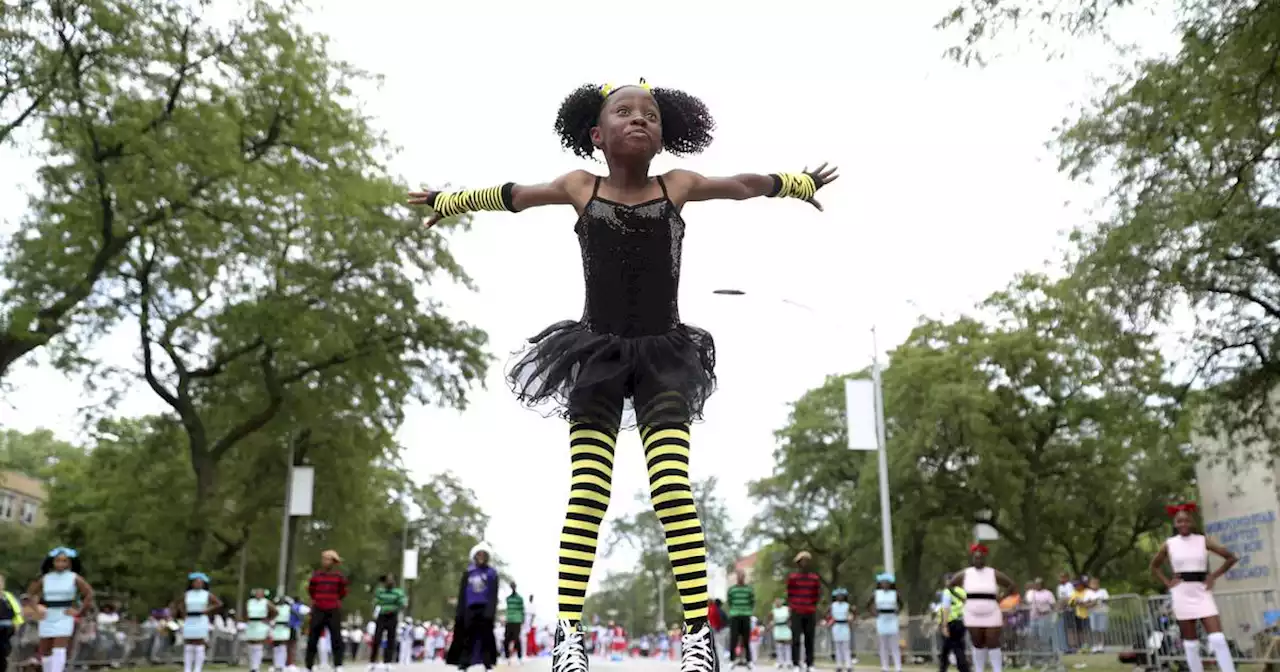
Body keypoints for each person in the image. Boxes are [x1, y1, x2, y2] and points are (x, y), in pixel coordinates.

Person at [408, 80, 836, 672]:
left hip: (665, 358)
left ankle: (696, 637)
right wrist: (448, 203)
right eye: (624, 111)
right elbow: (513, 195)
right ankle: (567, 635)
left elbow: (742, 186)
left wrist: (796, 184)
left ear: (663, 134)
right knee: (589, 492)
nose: (638, 119)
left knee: (672, 490)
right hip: (596, 358)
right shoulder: (580, 186)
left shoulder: (676, 185)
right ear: (596, 134)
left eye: (650, 114)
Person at [1150, 503, 1239, 672]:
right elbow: (1154, 566)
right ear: (1175, 524)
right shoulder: (1169, 544)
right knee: (1191, 643)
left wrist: (1213, 576)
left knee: (1218, 638)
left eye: (1186, 521)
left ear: (1192, 522)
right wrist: (1168, 583)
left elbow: (1230, 558)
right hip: (1181, 593)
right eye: (1179, 521)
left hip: (1202, 592)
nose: (1183, 524)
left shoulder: (1202, 540)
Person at [948, 544, 1016, 672]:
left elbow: (1011, 584)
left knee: (992, 641)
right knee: (978, 642)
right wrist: (961, 598)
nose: (978, 560)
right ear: (972, 559)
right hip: (972, 612)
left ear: (984, 559)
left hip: (991, 611)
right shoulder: (966, 573)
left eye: (980, 558)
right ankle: (979, 669)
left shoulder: (992, 573)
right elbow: (950, 585)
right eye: (976, 558)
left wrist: (1001, 597)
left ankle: (997, 669)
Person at [27, 547, 94, 672]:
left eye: (64, 561)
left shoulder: (74, 577)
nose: (60, 564)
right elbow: (30, 595)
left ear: (69, 563)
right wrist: (36, 609)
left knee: (59, 648)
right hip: (47, 615)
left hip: (64, 615)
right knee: (45, 649)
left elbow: (89, 594)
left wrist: (80, 611)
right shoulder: (46, 578)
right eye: (57, 561)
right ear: (52, 561)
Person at [445, 544, 500, 671]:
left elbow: (493, 593)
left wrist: (490, 611)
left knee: (486, 636)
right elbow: (462, 593)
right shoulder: (468, 572)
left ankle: (488, 662)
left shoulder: (491, 573)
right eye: (478, 555)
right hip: (470, 608)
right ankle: (464, 662)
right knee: (467, 636)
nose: (481, 557)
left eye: (483, 555)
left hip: (485, 607)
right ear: (475, 557)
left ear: (487, 557)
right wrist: (460, 611)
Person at [306, 550, 349, 672]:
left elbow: (343, 592)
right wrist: (318, 600)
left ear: (333, 562)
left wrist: (334, 600)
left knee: (336, 637)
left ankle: (338, 664)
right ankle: (309, 665)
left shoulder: (339, 577)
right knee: (313, 637)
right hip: (318, 608)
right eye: (324, 559)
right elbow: (311, 590)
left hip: (333, 609)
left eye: (328, 559)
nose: (325, 561)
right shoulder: (316, 576)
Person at [173, 572, 223, 672]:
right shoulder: (187, 594)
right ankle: (187, 669)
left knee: (199, 642)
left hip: (201, 618)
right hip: (190, 619)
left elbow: (219, 603)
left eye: (200, 582)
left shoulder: (206, 594)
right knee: (189, 642)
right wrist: (183, 614)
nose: (198, 584)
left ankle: (197, 669)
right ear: (191, 583)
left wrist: (207, 610)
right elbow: (177, 604)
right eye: (196, 582)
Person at [785, 552, 821, 672]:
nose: (804, 563)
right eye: (802, 561)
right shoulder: (793, 578)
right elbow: (789, 594)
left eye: (806, 561)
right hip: (797, 611)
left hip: (809, 610)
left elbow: (816, 595)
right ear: (798, 563)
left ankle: (809, 663)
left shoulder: (814, 578)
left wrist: (811, 605)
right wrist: (793, 607)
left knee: (809, 638)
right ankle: (796, 663)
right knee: (795, 639)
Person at [370, 574, 407, 671]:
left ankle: (388, 662)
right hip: (381, 616)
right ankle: (372, 662)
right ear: (385, 582)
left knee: (391, 639)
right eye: (388, 580)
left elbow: (403, 603)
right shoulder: (380, 591)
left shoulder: (398, 592)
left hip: (392, 617)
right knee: (377, 639)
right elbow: (376, 602)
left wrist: (397, 608)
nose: (390, 582)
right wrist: (376, 611)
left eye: (391, 580)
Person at [868, 574, 901, 672]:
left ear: (890, 584)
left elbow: (901, 604)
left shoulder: (895, 593)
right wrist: (873, 613)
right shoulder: (876, 593)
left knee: (894, 645)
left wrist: (897, 611)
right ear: (880, 584)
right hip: (881, 619)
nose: (885, 585)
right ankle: (884, 667)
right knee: (883, 645)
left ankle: (898, 667)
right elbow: (868, 604)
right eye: (883, 583)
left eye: (887, 583)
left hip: (892, 618)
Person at [936, 577, 969, 672]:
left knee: (953, 648)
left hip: (951, 622)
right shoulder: (962, 591)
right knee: (953, 647)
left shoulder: (947, 592)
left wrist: (944, 625)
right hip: (961, 622)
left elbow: (946, 608)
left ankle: (962, 668)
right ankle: (944, 667)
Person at [726, 570, 755, 669]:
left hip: (746, 615)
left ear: (744, 577)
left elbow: (752, 602)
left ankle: (749, 660)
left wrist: (748, 611)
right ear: (737, 577)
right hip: (734, 615)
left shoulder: (749, 589)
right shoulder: (732, 590)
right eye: (739, 576)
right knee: (733, 638)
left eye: (742, 576)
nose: (740, 578)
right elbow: (729, 602)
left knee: (746, 639)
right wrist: (735, 610)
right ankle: (732, 660)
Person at [244, 589, 276, 672]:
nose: (258, 594)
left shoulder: (266, 602)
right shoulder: (250, 602)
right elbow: (246, 613)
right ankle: (251, 666)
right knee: (250, 644)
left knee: (258, 643)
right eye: (257, 593)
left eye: (260, 593)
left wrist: (269, 619)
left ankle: (256, 667)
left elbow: (275, 611)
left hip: (261, 624)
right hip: (251, 624)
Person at [0, 574, 25, 672]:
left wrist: (17, 624)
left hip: (7, 630)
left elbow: (18, 612)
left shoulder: (8, 596)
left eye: (0, 582)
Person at [270, 596, 300, 672]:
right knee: (276, 647)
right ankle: (276, 664)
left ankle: (282, 665)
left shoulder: (288, 608)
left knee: (283, 646)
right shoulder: (275, 608)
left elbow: (298, 616)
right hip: (276, 628)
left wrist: (291, 624)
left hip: (285, 628)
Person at [827, 588, 854, 672]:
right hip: (836, 626)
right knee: (837, 647)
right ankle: (839, 665)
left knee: (846, 647)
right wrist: (829, 623)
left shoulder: (847, 605)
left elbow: (851, 616)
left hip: (845, 625)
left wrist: (850, 624)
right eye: (838, 596)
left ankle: (848, 665)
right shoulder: (833, 605)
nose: (840, 597)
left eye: (841, 595)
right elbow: (829, 615)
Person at [1084, 577, 1109, 653]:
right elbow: (1086, 603)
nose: (1094, 584)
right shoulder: (1088, 592)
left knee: (1101, 629)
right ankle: (1095, 645)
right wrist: (1094, 602)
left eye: (1096, 583)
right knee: (1094, 629)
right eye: (1093, 583)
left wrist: (1096, 601)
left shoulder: (1103, 591)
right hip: (1092, 613)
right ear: (1090, 584)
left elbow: (1106, 600)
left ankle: (1101, 645)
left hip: (1102, 612)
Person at [503, 582, 525, 664]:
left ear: (515, 587)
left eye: (514, 586)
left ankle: (520, 657)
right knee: (506, 640)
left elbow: (522, 610)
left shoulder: (520, 598)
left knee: (517, 639)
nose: (513, 588)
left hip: (517, 621)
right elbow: (508, 610)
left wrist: (522, 620)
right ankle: (507, 657)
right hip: (509, 621)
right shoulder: (508, 598)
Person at [770, 599, 791, 670]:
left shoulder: (786, 609)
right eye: (776, 603)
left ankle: (788, 662)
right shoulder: (774, 611)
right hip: (778, 628)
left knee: (787, 646)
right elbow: (771, 619)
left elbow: (790, 617)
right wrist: (771, 624)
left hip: (785, 628)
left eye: (779, 602)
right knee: (779, 646)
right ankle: (780, 662)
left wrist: (790, 623)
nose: (778, 603)